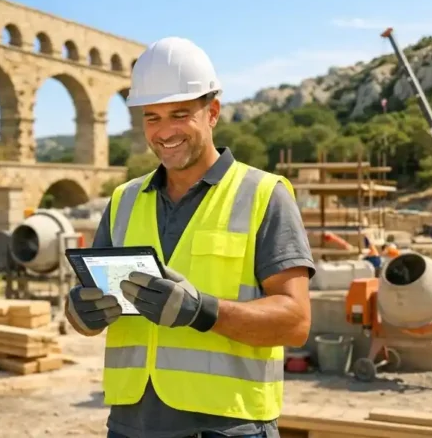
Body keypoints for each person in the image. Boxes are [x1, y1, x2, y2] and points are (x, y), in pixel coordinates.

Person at [66, 36, 316, 438]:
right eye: (153, 117)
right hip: (132, 426)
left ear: (212, 112)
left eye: (179, 114)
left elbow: (295, 322)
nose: (165, 132)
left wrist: (202, 311)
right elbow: (88, 312)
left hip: (229, 427)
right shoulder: (123, 201)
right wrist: (80, 314)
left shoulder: (264, 195)